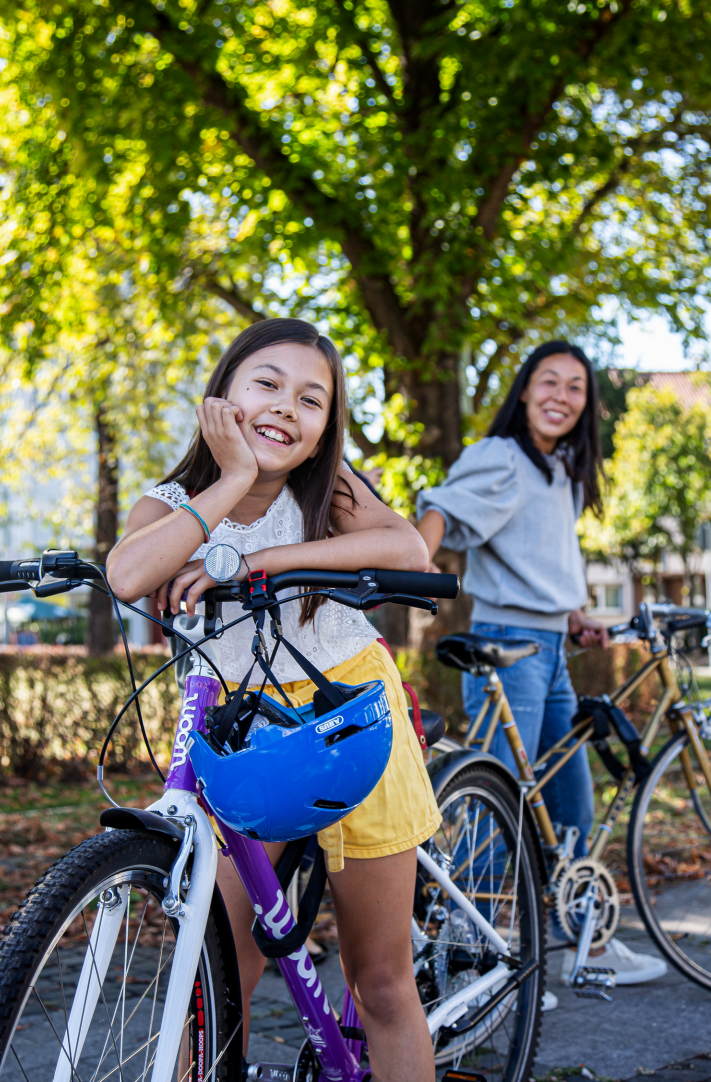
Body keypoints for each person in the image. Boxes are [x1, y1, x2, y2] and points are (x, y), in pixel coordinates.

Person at [107, 318, 440, 1082]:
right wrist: (226, 484)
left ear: (325, 432)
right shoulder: (173, 502)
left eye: (311, 399)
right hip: (241, 733)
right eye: (266, 383)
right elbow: (127, 575)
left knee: (381, 979)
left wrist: (264, 560)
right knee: (221, 977)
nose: (286, 406)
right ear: (221, 397)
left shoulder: (329, 493)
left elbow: (408, 549)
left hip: (349, 714)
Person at [417, 340, 667, 989]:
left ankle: (584, 939)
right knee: (498, 804)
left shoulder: (558, 470)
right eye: (547, 382)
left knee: (571, 806)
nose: (560, 395)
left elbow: (541, 558)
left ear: (587, 404)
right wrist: (413, 562)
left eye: (575, 387)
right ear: (524, 390)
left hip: (552, 648)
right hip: (509, 646)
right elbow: (442, 507)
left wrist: (576, 613)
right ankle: (466, 966)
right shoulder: (501, 457)